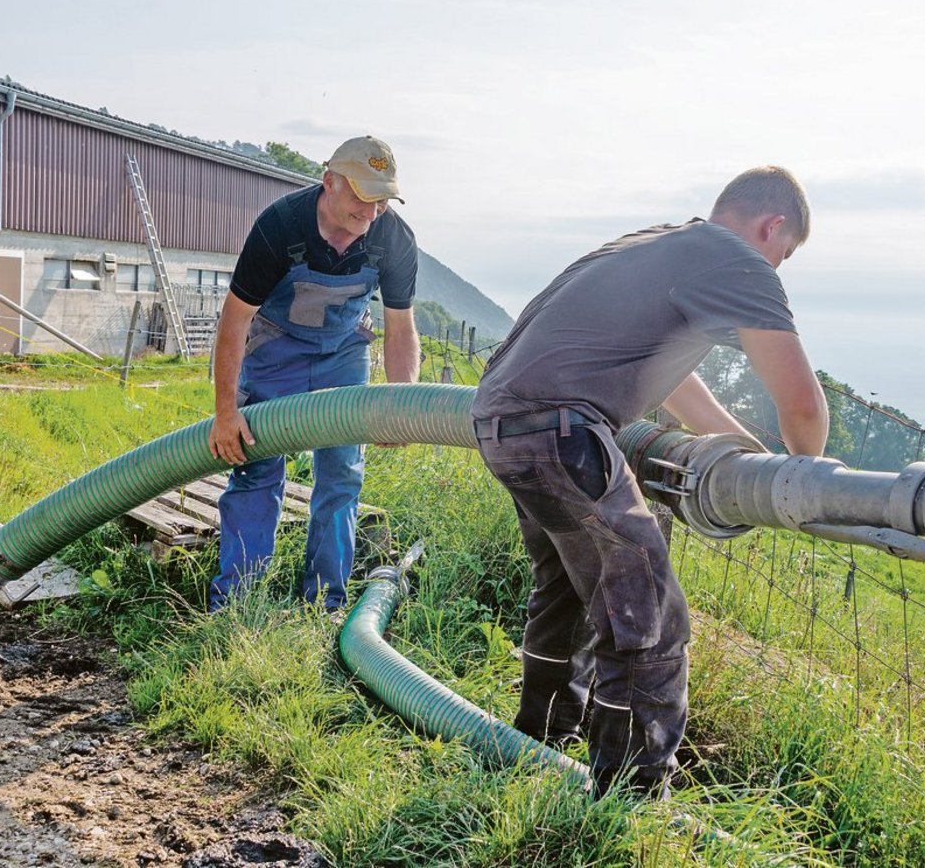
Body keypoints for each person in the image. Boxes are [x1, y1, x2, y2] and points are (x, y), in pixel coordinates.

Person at [471, 166, 829, 798]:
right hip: (562, 432)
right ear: (772, 227)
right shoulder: (738, 262)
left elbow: (667, 374)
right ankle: (630, 799)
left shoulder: (654, 244)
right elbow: (801, 404)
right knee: (648, 614)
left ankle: (537, 748)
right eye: (786, 254)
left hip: (506, 424)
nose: (779, 267)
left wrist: (743, 446)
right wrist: (805, 479)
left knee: (569, 592)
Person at [207, 136, 421, 612]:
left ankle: (324, 600)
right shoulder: (280, 226)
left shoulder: (393, 238)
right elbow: (235, 320)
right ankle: (237, 602)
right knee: (254, 467)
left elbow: (401, 327)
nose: (371, 213)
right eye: (363, 198)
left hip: (343, 354)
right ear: (329, 183)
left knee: (342, 475)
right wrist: (225, 413)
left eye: (382, 200)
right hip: (274, 352)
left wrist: (403, 403)